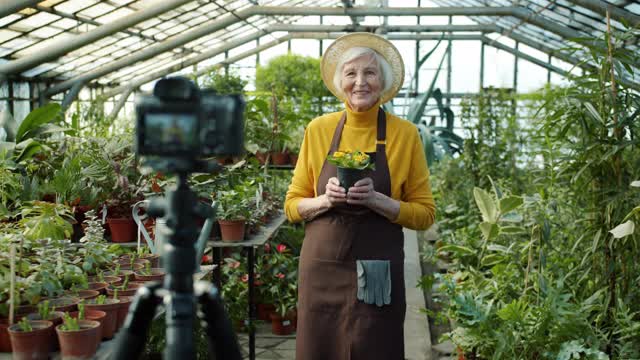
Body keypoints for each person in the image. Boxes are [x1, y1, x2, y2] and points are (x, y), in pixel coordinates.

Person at [284, 32, 436, 360]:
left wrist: (379, 201)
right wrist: (325, 200)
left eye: (370, 72)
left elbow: (425, 214)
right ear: (340, 82)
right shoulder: (319, 129)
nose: (360, 82)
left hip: (376, 271)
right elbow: (293, 206)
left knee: (373, 346)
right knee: (319, 349)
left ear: (383, 81)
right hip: (323, 270)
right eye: (351, 73)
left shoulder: (405, 135)